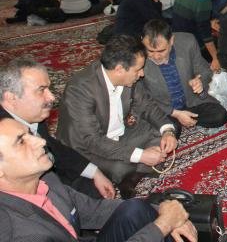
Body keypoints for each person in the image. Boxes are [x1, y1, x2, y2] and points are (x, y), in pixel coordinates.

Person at [0, 117, 197, 242]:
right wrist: (163, 225)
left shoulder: (47, 180)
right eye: (21, 142)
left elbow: (93, 210)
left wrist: (164, 211)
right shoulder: (16, 231)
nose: (41, 141)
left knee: (134, 209)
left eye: (29, 134)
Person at [57, 35, 178, 195]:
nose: (142, 74)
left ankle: (131, 177)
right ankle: (131, 174)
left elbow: (147, 106)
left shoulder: (129, 79)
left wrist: (168, 131)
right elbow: (93, 140)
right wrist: (141, 155)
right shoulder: (80, 89)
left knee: (164, 133)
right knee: (122, 167)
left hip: (121, 134)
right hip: (88, 147)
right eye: (138, 69)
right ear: (120, 69)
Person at [0, 58, 115, 200]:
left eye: (49, 89)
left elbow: (52, 146)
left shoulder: (30, 114)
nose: (52, 97)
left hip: (49, 174)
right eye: (41, 90)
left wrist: (95, 172)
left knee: (96, 185)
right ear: (11, 98)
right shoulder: (4, 136)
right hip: (28, 195)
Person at [141, 19, 227, 134]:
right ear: (142, 41)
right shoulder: (137, 57)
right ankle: (178, 122)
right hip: (163, 108)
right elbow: (142, 97)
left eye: (161, 51)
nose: (156, 56)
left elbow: (204, 69)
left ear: (171, 40)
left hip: (191, 101)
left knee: (220, 116)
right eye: (151, 51)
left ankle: (185, 119)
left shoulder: (187, 42)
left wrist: (200, 81)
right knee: (171, 132)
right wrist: (174, 113)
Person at [172, 0, 221, 71]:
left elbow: (189, 16)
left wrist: (208, 22)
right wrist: (215, 58)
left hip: (176, 39)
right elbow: (205, 34)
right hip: (192, 44)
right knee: (222, 41)